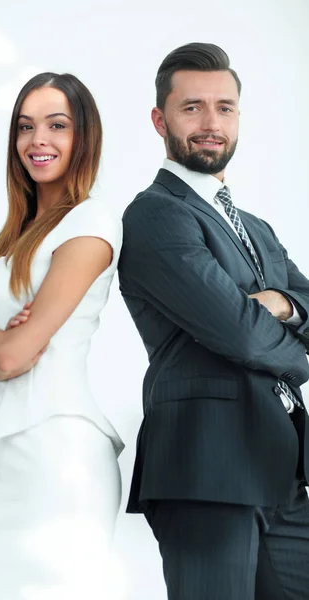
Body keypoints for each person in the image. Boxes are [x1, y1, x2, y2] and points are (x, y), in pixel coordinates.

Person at [118, 42, 309, 599]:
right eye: (192, 107)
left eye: (224, 108)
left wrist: (283, 303)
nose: (210, 123)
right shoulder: (155, 215)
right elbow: (240, 334)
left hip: (283, 466)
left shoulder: (257, 227)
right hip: (207, 467)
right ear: (160, 120)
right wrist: (294, 342)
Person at [0, 72, 124, 600]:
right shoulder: (12, 240)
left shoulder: (92, 221)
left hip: (59, 459)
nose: (37, 140)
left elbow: (10, 355)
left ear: (83, 138)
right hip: (1, 465)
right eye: (25, 126)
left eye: (56, 125)